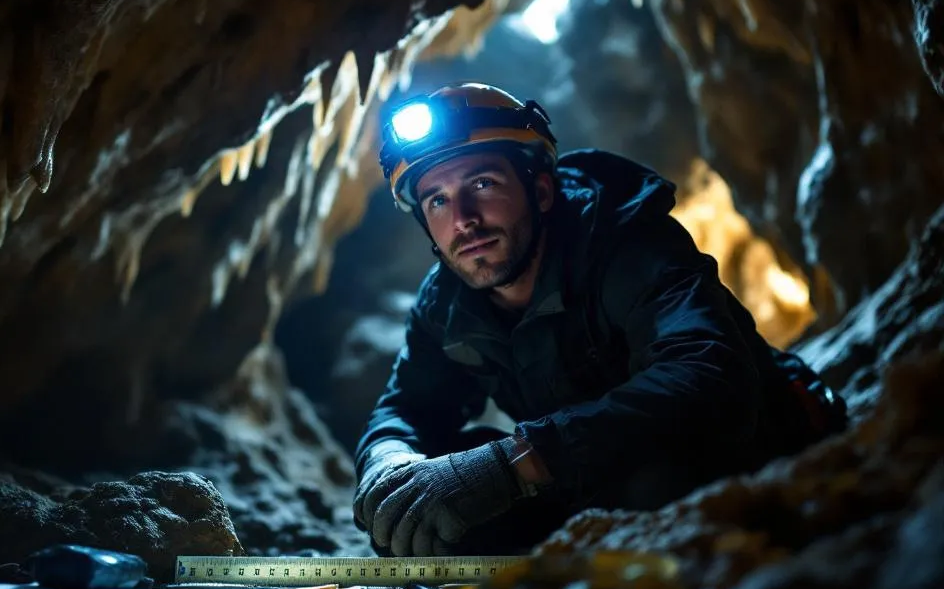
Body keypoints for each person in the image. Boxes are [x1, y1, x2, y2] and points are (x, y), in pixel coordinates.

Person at [353, 82, 848, 558]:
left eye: (483, 184)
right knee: (427, 512)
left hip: (758, 447)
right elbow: (406, 409)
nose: (463, 219)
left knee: (656, 479)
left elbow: (707, 375)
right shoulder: (447, 303)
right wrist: (388, 463)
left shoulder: (624, 240)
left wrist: (517, 464)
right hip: (593, 470)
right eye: (437, 200)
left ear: (542, 191)